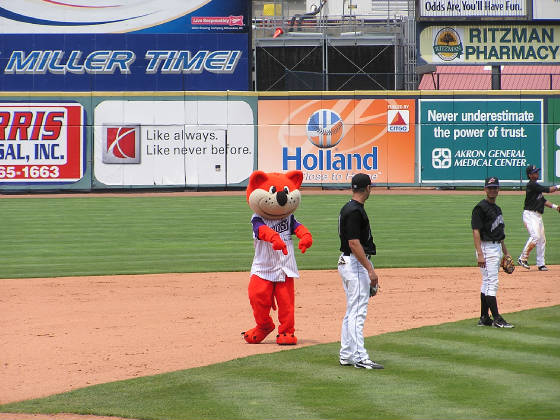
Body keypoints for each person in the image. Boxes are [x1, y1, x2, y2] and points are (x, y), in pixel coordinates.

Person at [337, 173, 383, 369]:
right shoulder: (355, 211)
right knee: (357, 312)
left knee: (352, 311)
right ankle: (359, 357)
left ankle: (347, 354)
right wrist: (370, 270)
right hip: (355, 263)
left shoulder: (349, 207)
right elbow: (354, 243)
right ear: (368, 188)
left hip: (348, 262)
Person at [471, 177, 514, 328]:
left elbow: (499, 235)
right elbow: (476, 231)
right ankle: (497, 318)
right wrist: (480, 254)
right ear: (485, 189)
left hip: (496, 248)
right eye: (490, 188)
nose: (493, 190)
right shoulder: (480, 208)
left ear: (498, 189)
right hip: (486, 249)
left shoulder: (497, 209)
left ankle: (484, 318)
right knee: (492, 284)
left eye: (495, 187)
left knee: (486, 283)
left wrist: (506, 253)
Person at [517, 165, 560, 271]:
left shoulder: (535, 186)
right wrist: (559, 186)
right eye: (535, 172)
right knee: (535, 236)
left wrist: (556, 207)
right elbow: (548, 190)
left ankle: (541, 264)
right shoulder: (531, 185)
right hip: (530, 215)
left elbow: (543, 201)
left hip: (537, 216)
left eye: (537, 172)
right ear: (530, 175)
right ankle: (522, 258)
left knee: (542, 240)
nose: (537, 173)